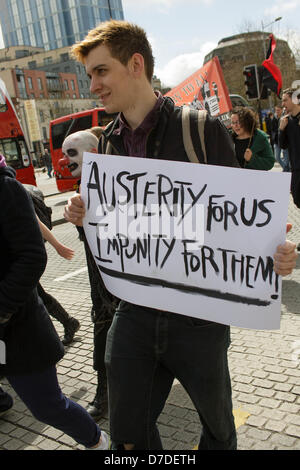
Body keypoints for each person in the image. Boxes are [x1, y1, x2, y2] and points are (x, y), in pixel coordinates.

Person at [64, 20, 297, 450]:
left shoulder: (201, 130)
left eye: (101, 71)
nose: (93, 85)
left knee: (219, 433)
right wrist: (85, 215)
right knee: (127, 440)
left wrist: (277, 253)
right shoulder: (109, 146)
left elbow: (241, 219)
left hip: (198, 318)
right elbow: (114, 230)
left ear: (136, 64)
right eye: (91, 75)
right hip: (133, 310)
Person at [0, 155, 109, 449]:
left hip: (15, 330)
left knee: (47, 406)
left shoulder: (6, 189)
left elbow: (32, 256)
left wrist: (1, 309)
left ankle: (100, 443)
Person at [61, 130, 118, 418]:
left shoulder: (116, 181)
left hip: (124, 274)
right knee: (102, 327)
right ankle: (104, 391)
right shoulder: (82, 185)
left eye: (71, 153)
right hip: (100, 280)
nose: (63, 160)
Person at [25, 185, 80, 346]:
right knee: (35, 295)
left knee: (35, 296)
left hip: (18, 258)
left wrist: (57, 245)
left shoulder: (8, 187)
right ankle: (68, 322)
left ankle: (65, 325)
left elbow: (34, 219)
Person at [279, 87, 300, 208]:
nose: (283, 104)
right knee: (297, 200)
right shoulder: (286, 121)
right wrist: (281, 130)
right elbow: (283, 145)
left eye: (285, 100)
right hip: (296, 169)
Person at [272, 105, 290, 172]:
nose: (277, 112)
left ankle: (286, 170)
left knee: (286, 159)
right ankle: (286, 169)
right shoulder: (274, 119)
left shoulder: (284, 118)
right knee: (277, 157)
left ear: (282, 110)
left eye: (278, 110)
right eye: (276, 110)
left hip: (284, 141)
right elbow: (272, 130)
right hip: (277, 141)